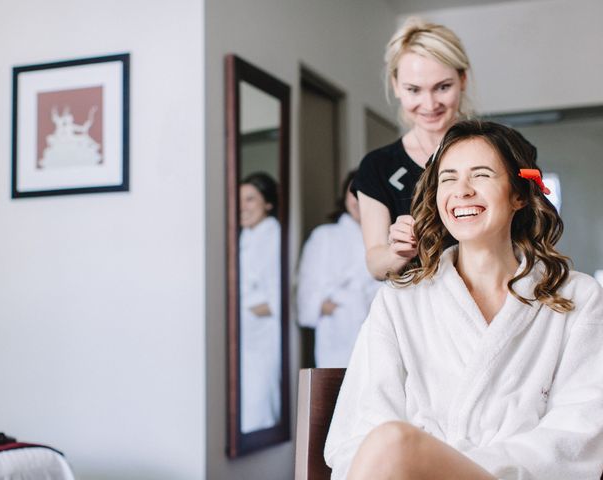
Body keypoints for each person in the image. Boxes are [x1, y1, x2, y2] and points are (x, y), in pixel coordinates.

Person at [325, 120, 603, 479]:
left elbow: (579, 432)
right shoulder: (400, 302)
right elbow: (358, 431)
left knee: (394, 442)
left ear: (519, 194)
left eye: (481, 175)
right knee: (388, 441)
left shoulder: (578, 298)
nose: (462, 190)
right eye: (448, 178)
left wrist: (456, 468)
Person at [352, 17, 472, 280]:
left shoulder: (499, 153)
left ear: (462, 79)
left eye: (443, 87)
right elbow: (375, 263)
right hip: (419, 312)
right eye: (414, 90)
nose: (429, 104)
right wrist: (397, 252)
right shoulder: (378, 167)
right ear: (396, 86)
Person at [297, 170, 380, 368]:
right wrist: (333, 308)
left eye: (367, 192)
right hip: (337, 333)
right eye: (354, 192)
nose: (359, 199)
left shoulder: (391, 236)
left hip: (377, 329)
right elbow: (306, 293)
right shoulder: (324, 236)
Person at [238, 172, 281, 433]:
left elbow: (276, 296)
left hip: (261, 337)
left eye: (250, 199)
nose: (242, 206)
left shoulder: (272, 235)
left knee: (259, 404)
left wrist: (240, 311)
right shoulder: (243, 237)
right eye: (239, 199)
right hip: (241, 339)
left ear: (268, 203)